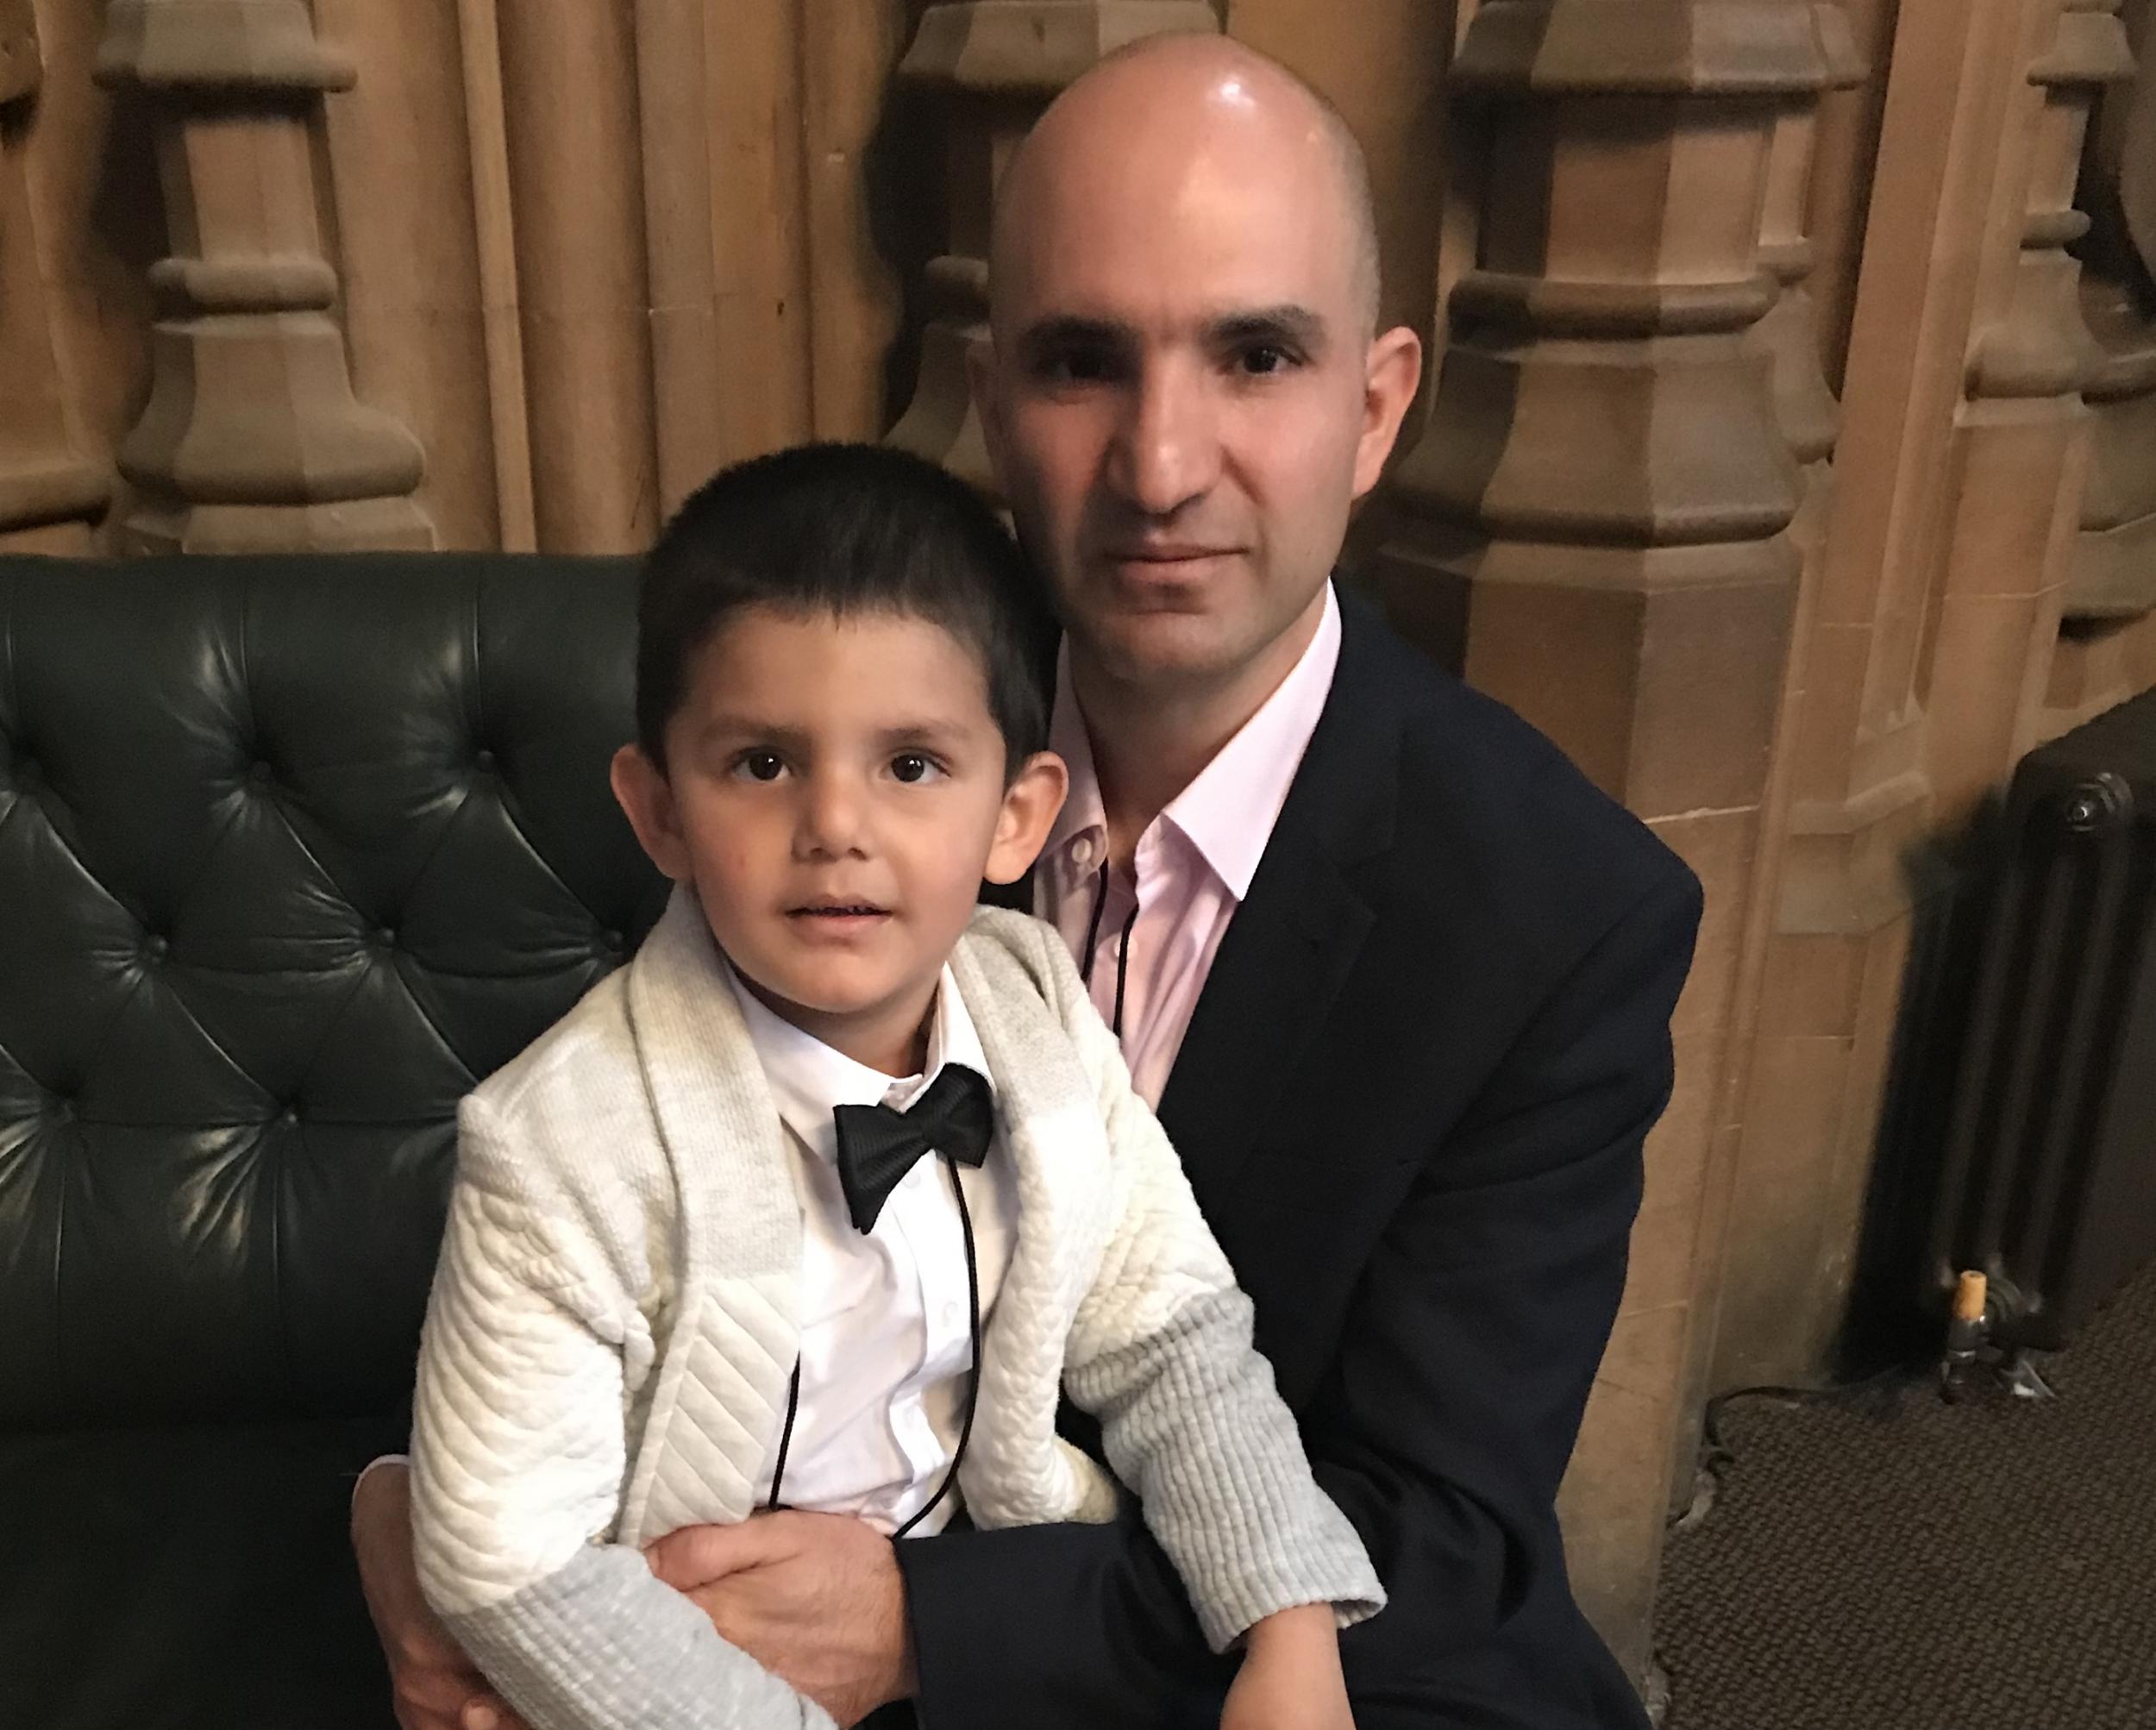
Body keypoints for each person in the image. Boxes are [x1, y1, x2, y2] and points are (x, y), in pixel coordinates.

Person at [355, 32, 1702, 1730]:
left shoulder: (1559, 912)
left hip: (1260, 1640)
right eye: (1082, 362)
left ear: (1370, 409)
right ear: (992, 401)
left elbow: (1428, 1533)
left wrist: (933, 1621)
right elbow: (621, 1171)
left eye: (1252, 356)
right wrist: (415, 1499)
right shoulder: (827, 696)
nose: (1155, 465)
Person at [401, 442, 1384, 1730]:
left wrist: (1288, 1625)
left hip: (977, 1618)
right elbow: (509, 1555)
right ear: (658, 811)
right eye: (763, 763)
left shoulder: (1035, 1010)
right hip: (677, 1682)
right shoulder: (561, 1144)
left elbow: (1170, 1335)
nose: (836, 826)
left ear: (1019, 814)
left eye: (910, 764)